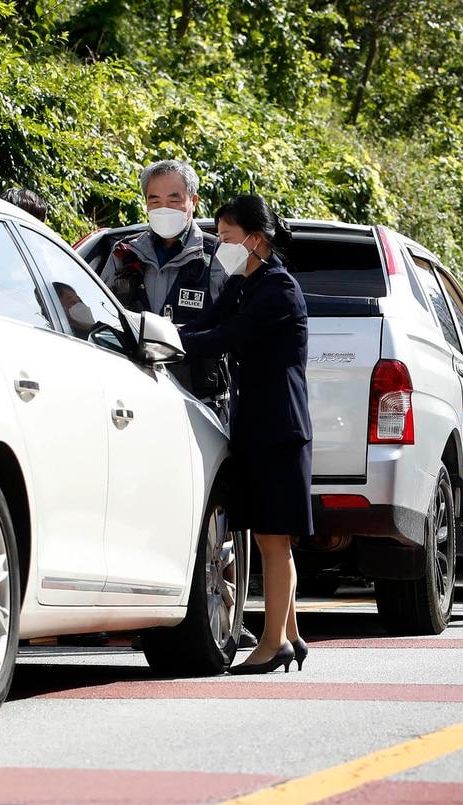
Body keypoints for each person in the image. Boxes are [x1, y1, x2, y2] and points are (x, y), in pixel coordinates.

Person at [179, 195, 312, 675]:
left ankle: (271, 644)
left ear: (255, 239)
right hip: (254, 427)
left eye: (228, 236)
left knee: (274, 540)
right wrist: (157, 332)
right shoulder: (243, 284)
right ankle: (291, 634)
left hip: (279, 430)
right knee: (270, 538)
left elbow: (225, 338)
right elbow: (204, 325)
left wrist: (173, 344)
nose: (221, 245)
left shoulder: (279, 289)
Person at [101, 159, 228, 403]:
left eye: (174, 200)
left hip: (199, 399)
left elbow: (237, 329)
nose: (164, 208)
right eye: (155, 201)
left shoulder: (218, 256)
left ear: (193, 202)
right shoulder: (124, 254)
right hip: (132, 394)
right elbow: (100, 314)